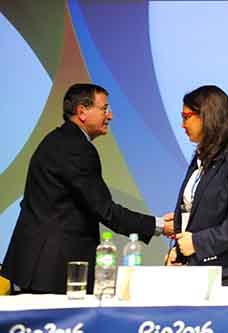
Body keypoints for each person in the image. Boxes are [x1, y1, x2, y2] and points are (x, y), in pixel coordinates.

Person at [1, 83, 171, 294]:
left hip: (37, 265)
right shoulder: (77, 148)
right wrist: (160, 226)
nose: (109, 116)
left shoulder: (58, 139)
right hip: (51, 270)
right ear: (82, 112)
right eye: (104, 109)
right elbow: (105, 210)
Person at [165, 85, 228, 286]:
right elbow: (194, 212)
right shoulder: (201, 157)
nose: (182, 125)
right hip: (197, 268)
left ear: (207, 116)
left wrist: (197, 243)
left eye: (186, 117)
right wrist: (179, 252)